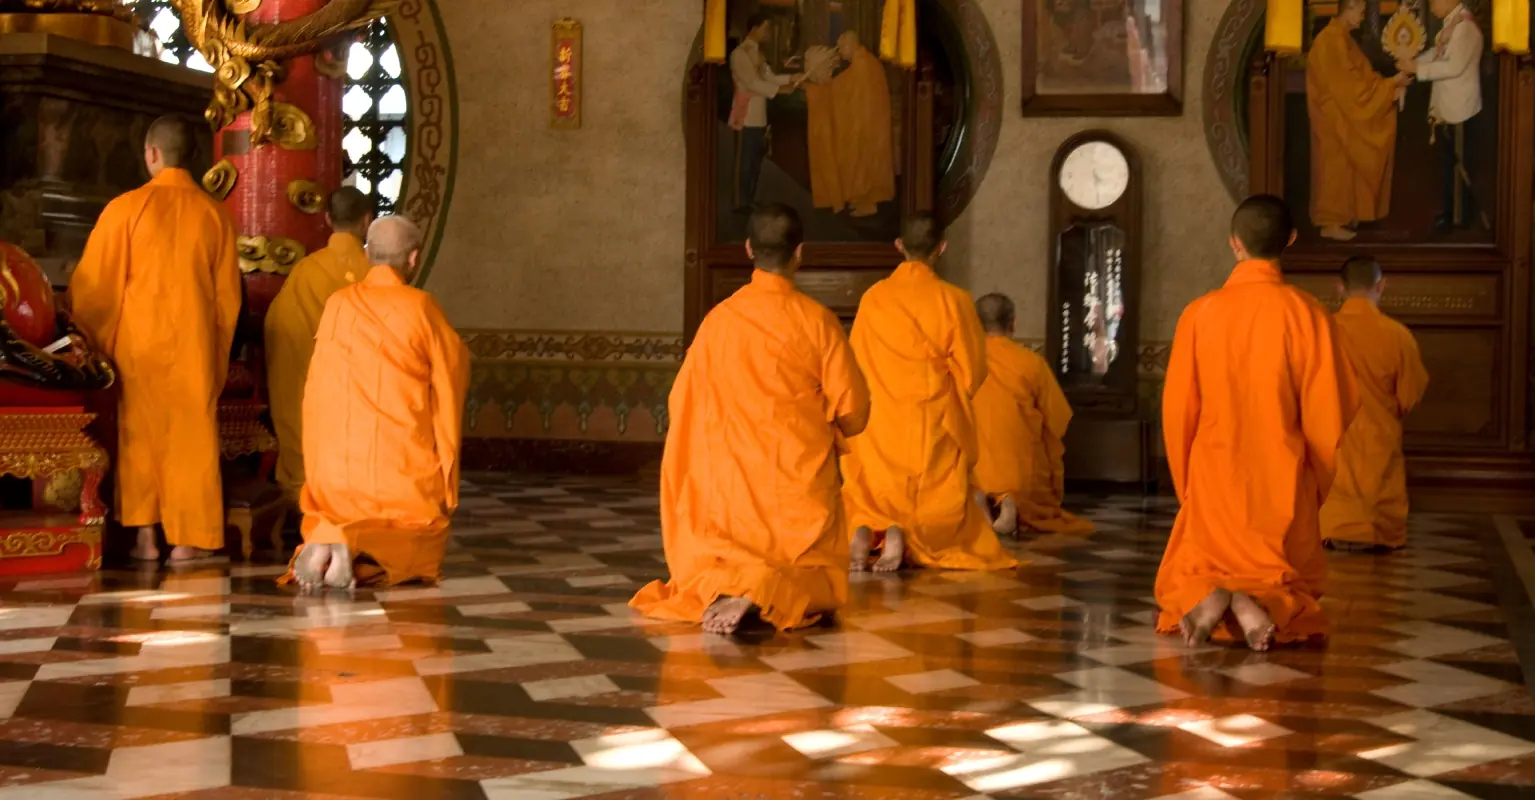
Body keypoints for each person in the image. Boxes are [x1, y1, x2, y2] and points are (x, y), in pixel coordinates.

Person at [631, 204, 870, 635]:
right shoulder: (819, 322)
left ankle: (736, 584)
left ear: (747, 250)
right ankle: (764, 589)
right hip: (796, 485)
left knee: (721, 553)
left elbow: (682, 402)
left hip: (730, 488)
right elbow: (854, 412)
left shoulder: (718, 321)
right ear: (801, 253)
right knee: (819, 575)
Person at [1154, 195, 1358, 651]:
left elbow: (1178, 407)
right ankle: (1257, 602)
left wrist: (1187, 478)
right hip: (1280, 471)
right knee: (1286, 569)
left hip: (1215, 465)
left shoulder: (1200, 312)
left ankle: (1212, 596)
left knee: (1199, 563)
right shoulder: (1309, 314)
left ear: (1234, 244)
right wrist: (1315, 471)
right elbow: (1334, 407)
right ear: (1289, 241)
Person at [69, 115, 242, 564]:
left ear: (152, 154)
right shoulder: (214, 215)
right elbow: (228, 300)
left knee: (137, 437)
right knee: (191, 439)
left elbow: (95, 290)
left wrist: (94, 343)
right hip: (194, 347)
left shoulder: (125, 208)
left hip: (137, 348)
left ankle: (145, 537)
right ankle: (187, 541)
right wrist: (217, 350)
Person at [288, 216, 469, 589]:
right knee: (422, 530)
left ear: (368, 254)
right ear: (414, 258)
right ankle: (355, 550)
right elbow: (452, 373)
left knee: (337, 507)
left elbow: (316, 390)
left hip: (336, 472)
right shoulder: (421, 307)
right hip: (398, 470)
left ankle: (332, 539)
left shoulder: (338, 304)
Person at [841, 213, 1019, 573]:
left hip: (881, 418)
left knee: (876, 480)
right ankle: (905, 535)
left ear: (898, 245)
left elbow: (855, 359)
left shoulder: (874, 298)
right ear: (941, 248)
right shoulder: (954, 300)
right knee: (930, 489)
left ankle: (870, 531)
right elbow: (973, 371)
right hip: (930, 416)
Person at [263, 187, 372, 502]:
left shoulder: (305, 271)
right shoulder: (376, 272)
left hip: (313, 390)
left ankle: (306, 496)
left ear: (327, 219)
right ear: (367, 222)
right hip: (357, 392)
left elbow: (276, 326)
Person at [1320, 256, 1429, 552]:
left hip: (1329, 443)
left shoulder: (1320, 333)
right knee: (1378, 477)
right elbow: (1410, 398)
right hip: (1379, 442)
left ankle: (1331, 527)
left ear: (1339, 288)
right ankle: (1375, 533)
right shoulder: (1398, 337)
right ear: (1381, 286)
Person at [971, 293, 1094, 537]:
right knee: (1041, 447)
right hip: (1022, 472)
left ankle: (983, 500)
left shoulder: (965, 362)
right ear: (1013, 323)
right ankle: (1010, 500)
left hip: (973, 467)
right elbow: (1058, 420)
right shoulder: (1031, 363)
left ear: (975, 324)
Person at [1305, 0, 1407, 242]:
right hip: (1335, 119)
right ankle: (1330, 223)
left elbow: (1364, 78)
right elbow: (1351, 89)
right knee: (1335, 167)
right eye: (1360, 13)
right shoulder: (1329, 41)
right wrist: (1390, 85)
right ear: (1348, 9)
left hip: (1345, 114)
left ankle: (1347, 215)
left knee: (1348, 168)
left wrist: (1388, 84)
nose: (1362, 18)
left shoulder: (1343, 39)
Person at [1396, 0, 1484, 231]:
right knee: (1449, 164)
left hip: (1460, 108)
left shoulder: (1465, 27)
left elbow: (1453, 66)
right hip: (1450, 106)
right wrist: (1413, 63)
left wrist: (1417, 69)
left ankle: (1459, 219)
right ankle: (1450, 213)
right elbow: (1437, 55)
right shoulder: (1453, 23)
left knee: (1458, 166)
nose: (1431, 5)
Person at [729, 14, 798, 212]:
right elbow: (752, 82)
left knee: (754, 161)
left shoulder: (758, 53)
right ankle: (739, 202)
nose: (768, 33)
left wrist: (793, 78)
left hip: (759, 116)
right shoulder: (739, 54)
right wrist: (779, 90)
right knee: (744, 161)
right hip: (745, 115)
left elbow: (771, 77)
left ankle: (748, 199)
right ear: (754, 29)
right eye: (765, 28)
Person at [824, 30, 895, 218]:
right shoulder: (862, 60)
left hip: (867, 123)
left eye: (841, 47)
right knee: (860, 160)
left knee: (864, 160)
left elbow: (850, 88)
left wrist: (830, 85)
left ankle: (868, 203)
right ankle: (860, 199)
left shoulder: (863, 62)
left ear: (850, 44)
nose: (840, 52)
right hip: (865, 120)